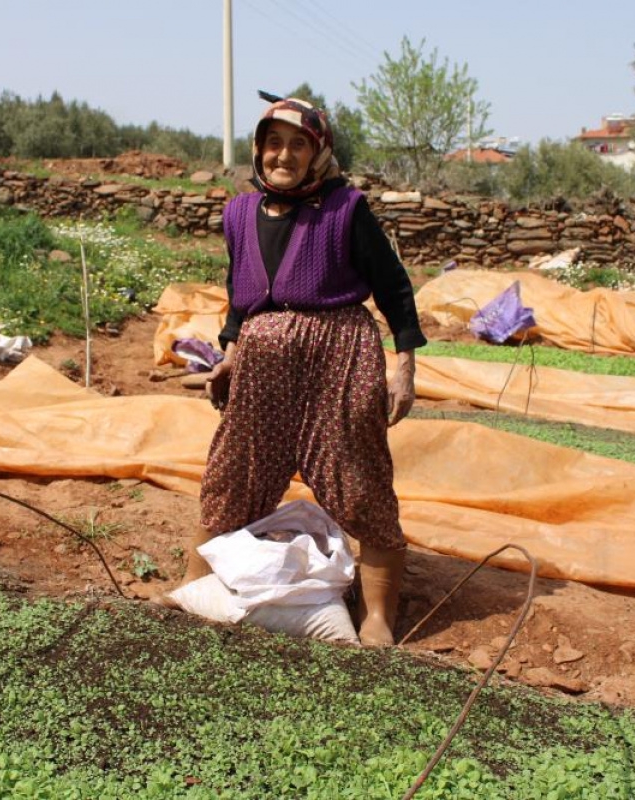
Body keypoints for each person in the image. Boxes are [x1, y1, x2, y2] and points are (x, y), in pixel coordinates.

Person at [175, 97, 426, 647]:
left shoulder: (345, 208)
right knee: (233, 470)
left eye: (297, 144)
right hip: (263, 366)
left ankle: (378, 616)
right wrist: (231, 353)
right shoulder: (239, 213)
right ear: (258, 150)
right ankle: (191, 585)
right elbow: (241, 294)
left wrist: (403, 367)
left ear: (318, 152)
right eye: (273, 143)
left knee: (358, 478)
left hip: (338, 358)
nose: (282, 155)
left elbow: (394, 288)